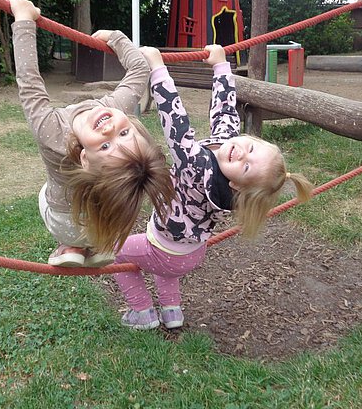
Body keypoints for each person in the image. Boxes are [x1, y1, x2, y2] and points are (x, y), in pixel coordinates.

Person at [113, 44, 313, 330]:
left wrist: (157, 70)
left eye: (246, 166)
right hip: (190, 252)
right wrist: (221, 66)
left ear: (234, 183)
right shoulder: (228, 144)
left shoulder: (199, 168)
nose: (241, 153)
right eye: (251, 147)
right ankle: (172, 313)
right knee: (166, 272)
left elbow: (176, 124)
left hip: (163, 248)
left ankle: (142, 311)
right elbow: (225, 109)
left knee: (117, 252)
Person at [9, 0, 174, 268]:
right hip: (99, 222)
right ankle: (97, 246)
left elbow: (29, 83)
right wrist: (116, 37)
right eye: (123, 134)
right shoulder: (117, 107)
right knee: (100, 196)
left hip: (64, 222)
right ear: (132, 123)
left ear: (84, 159)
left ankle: (70, 245)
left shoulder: (53, 133)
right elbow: (141, 69)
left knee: (45, 195)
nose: (110, 129)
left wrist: (24, 20)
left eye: (105, 146)